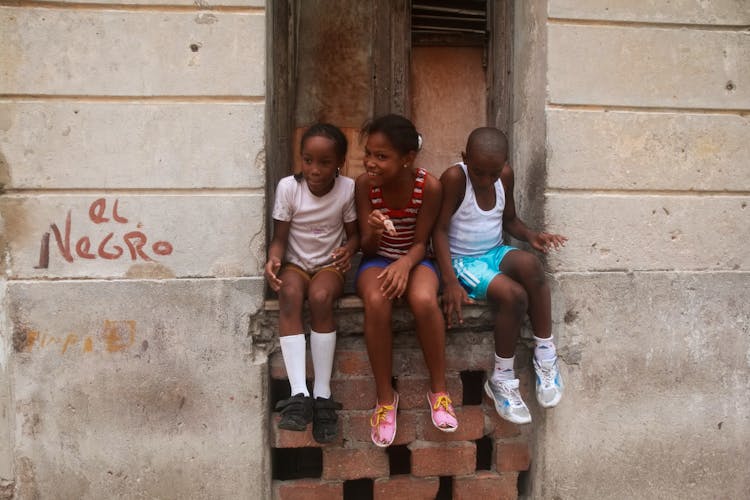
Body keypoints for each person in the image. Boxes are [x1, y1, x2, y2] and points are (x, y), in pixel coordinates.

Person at [433, 127, 567, 424]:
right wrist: (449, 281)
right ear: (465, 158)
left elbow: (509, 219)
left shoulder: (504, 176)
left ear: (504, 164)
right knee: (514, 296)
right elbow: (438, 231)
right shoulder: (456, 178)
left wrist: (531, 235)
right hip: (463, 261)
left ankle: (545, 352)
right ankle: (502, 378)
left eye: (493, 174)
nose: (485, 180)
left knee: (532, 265)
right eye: (478, 172)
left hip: (494, 252)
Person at [355, 114, 458, 447]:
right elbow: (367, 246)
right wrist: (371, 227)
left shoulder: (429, 186)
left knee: (425, 300)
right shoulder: (364, 186)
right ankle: (386, 399)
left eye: (381, 156)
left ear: (407, 159)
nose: (371, 163)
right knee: (376, 300)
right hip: (376, 259)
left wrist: (404, 265)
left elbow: (420, 242)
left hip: (416, 259)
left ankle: (439, 392)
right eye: (368, 153)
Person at [265, 123, 359, 443]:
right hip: (295, 264)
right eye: (308, 160)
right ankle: (299, 395)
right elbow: (279, 238)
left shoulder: (347, 189)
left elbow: (355, 233)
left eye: (324, 162)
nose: (314, 169)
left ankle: (322, 395)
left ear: (339, 164)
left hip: (329, 266)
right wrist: (273, 260)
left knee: (320, 297)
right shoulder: (289, 188)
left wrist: (349, 249)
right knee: (289, 294)